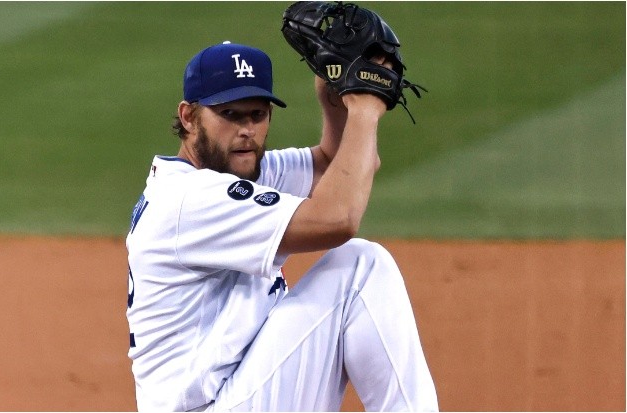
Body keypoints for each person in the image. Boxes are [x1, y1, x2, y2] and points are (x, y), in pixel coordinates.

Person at [125, 41, 438, 412]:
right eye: (229, 113)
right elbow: (339, 218)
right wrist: (365, 110)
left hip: (237, 394)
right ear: (189, 117)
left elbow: (342, 166)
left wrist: (334, 100)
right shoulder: (189, 199)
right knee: (361, 267)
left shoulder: (240, 171)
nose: (246, 130)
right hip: (210, 406)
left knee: (359, 263)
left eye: (256, 114)